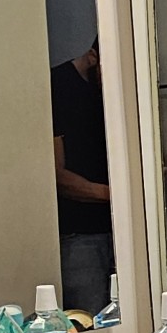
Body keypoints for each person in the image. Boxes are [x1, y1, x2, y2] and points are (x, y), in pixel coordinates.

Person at [50, 41, 114, 316]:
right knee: (88, 319)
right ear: (92, 58)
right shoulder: (57, 87)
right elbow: (56, 175)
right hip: (78, 234)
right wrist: (117, 194)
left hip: (123, 230)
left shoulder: (114, 90)